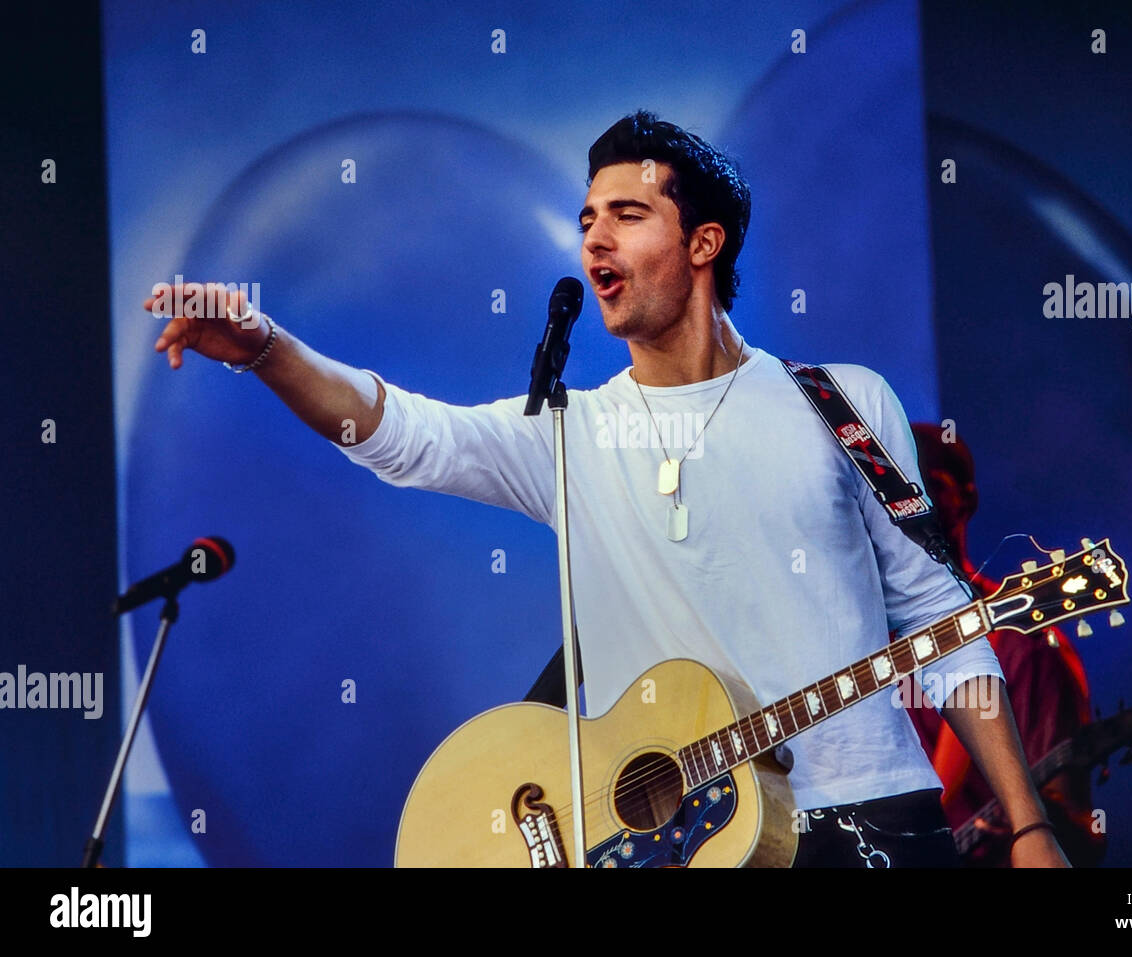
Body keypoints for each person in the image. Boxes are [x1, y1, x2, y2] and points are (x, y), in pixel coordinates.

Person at [145, 110, 1067, 867]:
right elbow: (399, 432)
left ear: (703, 242)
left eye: (626, 213)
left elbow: (942, 623)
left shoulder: (845, 402)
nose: (594, 235)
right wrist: (269, 348)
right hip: (684, 843)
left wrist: (1028, 825)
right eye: (587, 217)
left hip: (872, 819)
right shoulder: (571, 431)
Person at [904, 423, 1106, 866]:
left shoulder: (1026, 646)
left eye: (931, 486)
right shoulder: (863, 647)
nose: (915, 505)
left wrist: (1031, 825)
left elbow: (1081, 831)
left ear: (967, 499)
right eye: (900, 490)